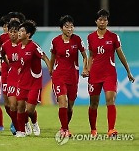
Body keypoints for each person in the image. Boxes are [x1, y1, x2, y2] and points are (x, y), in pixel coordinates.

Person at [87, 9, 135, 137]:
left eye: (105, 20)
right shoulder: (90, 37)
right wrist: (87, 69)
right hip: (95, 74)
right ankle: (93, 130)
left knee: (110, 99)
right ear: (96, 21)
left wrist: (128, 71)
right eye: (100, 19)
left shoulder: (113, 37)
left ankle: (111, 129)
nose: (102, 22)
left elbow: (120, 54)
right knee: (93, 103)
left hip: (109, 74)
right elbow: (91, 55)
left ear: (107, 22)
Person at [50, 15, 88, 137]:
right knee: (63, 101)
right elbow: (52, 57)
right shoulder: (55, 41)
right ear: (61, 28)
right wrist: (51, 70)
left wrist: (86, 68)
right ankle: (65, 130)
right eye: (67, 27)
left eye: (71, 26)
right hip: (59, 75)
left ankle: (64, 127)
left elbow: (85, 56)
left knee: (70, 106)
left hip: (73, 76)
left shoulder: (77, 40)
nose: (70, 29)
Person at [16, 20, 50, 137]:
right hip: (22, 82)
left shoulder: (34, 46)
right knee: (20, 107)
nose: (19, 33)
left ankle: (34, 122)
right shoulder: (19, 46)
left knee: (29, 110)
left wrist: (51, 71)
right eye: (19, 31)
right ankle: (22, 130)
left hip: (34, 82)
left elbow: (45, 57)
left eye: (21, 31)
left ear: (28, 34)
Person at [0, 12, 26, 134]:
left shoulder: (23, 38)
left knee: (20, 101)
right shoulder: (3, 38)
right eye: (10, 24)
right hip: (7, 71)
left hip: (20, 72)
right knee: (7, 102)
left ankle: (21, 122)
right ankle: (14, 119)